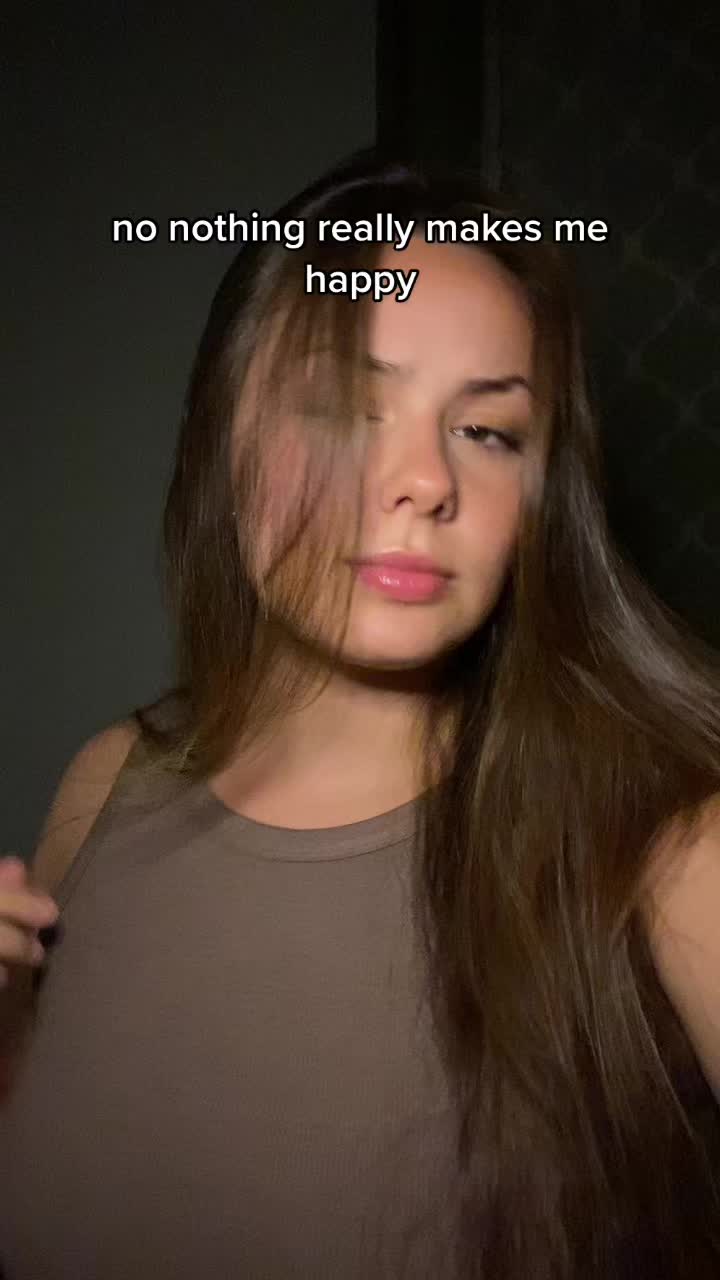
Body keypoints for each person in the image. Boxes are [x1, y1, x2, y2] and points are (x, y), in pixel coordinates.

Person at [1, 147, 720, 1280]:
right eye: (347, 406)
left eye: (486, 430)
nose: (425, 479)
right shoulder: (110, 780)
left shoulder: (665, 837)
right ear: (220, 437)